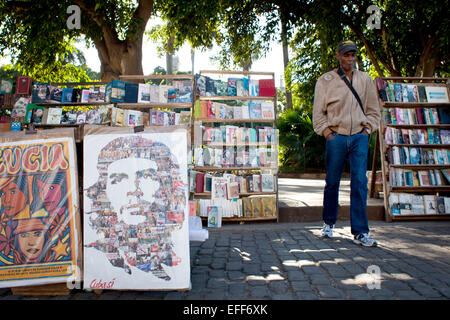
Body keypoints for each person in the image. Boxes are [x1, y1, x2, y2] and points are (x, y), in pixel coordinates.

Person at [313, 40, 381, 247]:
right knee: (332, 181)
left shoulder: (366, 79)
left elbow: (373, 110)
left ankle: (361, 232)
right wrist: (327, 133)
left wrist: (367, 130)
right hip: (336, 136)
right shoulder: (325, 80)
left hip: (360, 136)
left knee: (359, 183)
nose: (350, 59)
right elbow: (318, 113)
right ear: (338, 56)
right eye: (346, 55)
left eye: (353, 55)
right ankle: (329, 223)